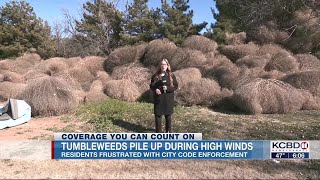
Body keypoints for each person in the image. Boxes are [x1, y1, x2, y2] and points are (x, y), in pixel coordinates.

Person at [150, 59, 178, 133]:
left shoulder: (171, 75)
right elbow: (151, 86)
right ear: (160, 66)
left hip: (168, 99)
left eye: (165, 64)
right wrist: (155, 89)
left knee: (168, 116)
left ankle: (168, 132)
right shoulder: (155, 76)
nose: (163, 66)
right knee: (158, 116)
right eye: (162, 64)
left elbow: (175, 86)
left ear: (167, 65)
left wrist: (168, 88)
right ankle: (158, 133)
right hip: (158, 99)